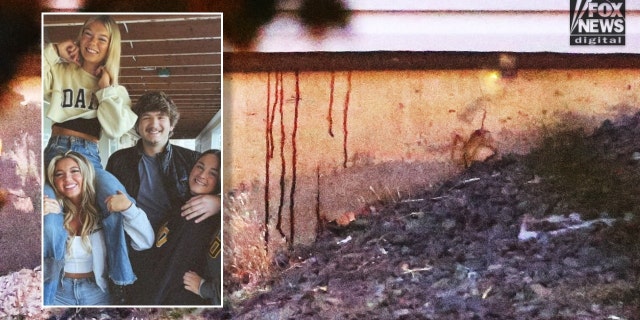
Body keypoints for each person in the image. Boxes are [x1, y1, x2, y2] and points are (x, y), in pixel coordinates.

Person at [42, 15, 143, 303]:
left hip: (89, 156)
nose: (92, 42)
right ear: (79, 37)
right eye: (87, 34)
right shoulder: (61, 71)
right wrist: (53, 51)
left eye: (102, 38)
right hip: (55, 153)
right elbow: (31, 78)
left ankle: (120, 281)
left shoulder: (114, 89)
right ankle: (47, 294)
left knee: (116, 198)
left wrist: (107, 89)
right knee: (49, 218)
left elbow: (115, 127)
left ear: (111, 46)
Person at [106, 91, 221, 304]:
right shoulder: (119, 160)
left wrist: (220, 201)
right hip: (134, 247)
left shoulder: (191, 159)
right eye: (146, 117)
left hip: (174, 245)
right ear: (137, 125)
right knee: (135, 300)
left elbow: (235, 187)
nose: (153, 123)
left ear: (172, 126)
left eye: (161, 117)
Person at [42, 151, 154, 306]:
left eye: (75, 171)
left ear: (86, 173)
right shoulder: (53, 213)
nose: (67, 179)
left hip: (96, 292)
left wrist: (129, 208)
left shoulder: (104, 210)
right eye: (59, 174)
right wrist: (37, 218)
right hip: (56, 293)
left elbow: (145, 242)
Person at [146, 149, 222, 305]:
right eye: (200, 167)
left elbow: (173, 272)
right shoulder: (182, 204)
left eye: (212, 173)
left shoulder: (201, 218)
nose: (202, 175)